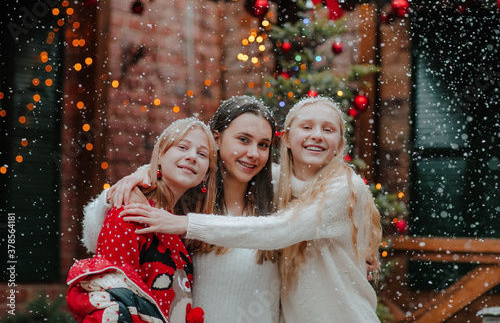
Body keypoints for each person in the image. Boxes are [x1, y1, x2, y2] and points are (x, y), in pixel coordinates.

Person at [120, 96, 383, 322]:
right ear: (288, 139)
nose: (254, 154)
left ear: (339, 144)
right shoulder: (279, 187)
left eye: (328, 129)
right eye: (243, 140)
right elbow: (181, 168)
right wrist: (144, 175)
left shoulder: (340, 189)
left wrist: (186, 224)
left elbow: (283, 229)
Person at [79, 96, 281, 322]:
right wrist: (116, 194)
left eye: (263, 144)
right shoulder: (184, 197)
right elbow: (99, 244)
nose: (254, 153)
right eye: (244, 139)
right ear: (217, 139)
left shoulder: (280, 192)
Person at [66, 118, 217, 323]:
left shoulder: (176, 224)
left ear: (205, 175)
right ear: (160, 155)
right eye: (182, 147)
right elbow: (115, 297)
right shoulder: (131, 212)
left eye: (202, 154)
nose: (192, 157)